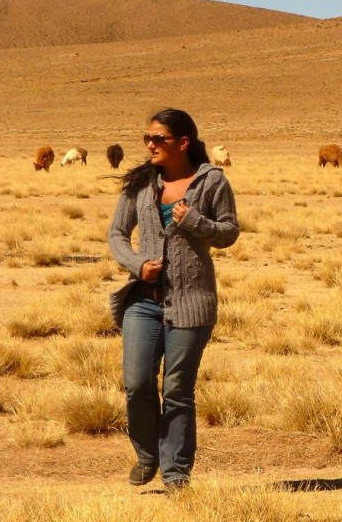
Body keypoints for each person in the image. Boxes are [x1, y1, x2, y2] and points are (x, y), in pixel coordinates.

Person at [108, 108, 239, 492]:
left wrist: (195, 221)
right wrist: (136, 264)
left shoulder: (211, 181)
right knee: (137, 383)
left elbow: (229, 232)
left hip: (191, 303)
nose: (150, 144)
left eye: (158, 138)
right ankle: (148, 454)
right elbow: (117, 233)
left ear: (183, 143)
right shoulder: (141, 184)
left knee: (178, 391)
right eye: (147, 138)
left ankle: (176, 473)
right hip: (143, 301)